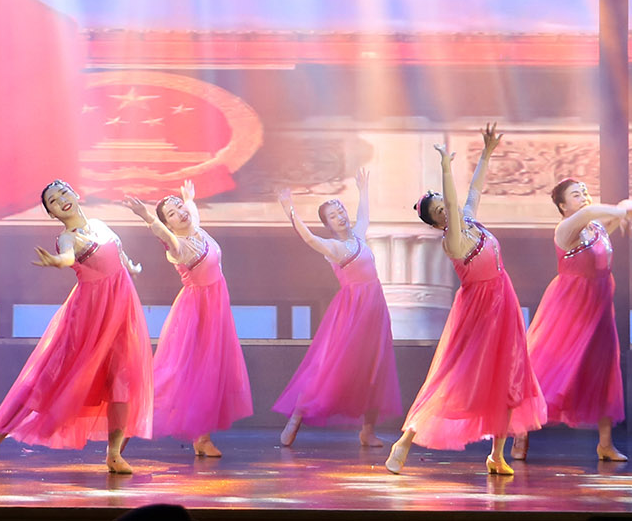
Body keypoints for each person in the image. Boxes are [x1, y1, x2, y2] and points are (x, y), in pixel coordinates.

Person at [384, 126, 547, 476]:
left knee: (511, 376)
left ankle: (496, 454)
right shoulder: (453, 241)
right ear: (437, 222)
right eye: (441, 210)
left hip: (504, 303)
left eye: (446, 205)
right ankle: (405, 441)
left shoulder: (471, 220)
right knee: (454, 377)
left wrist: (486, 152)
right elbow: (455, 200)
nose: (449, 210)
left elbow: (474, 189)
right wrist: (445, 168)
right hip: (479, 312)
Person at [0, 179, 155, 475]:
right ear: (52, 213)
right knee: (45, 380)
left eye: (63, 193)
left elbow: (118, 254)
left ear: (76, 194)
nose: (61, 200)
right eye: (53, 201)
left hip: (121, 311)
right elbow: (68, 256)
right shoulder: (68, 238)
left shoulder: (99, 224)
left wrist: (131, 267)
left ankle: (114, 454)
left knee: (121, 380)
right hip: (89, 317)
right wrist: (58, 261)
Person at [512, 177, 632, 461]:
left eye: (584, 191)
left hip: (599, 306)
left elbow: (609, 215)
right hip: (570, 306)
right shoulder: (566, 228)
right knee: (547, 366)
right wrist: (622, 209)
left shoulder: (596, 228)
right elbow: (594, 212)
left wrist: (625, 208)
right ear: (562, 206)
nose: (583, 196)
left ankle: (605, 444)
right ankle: (521, 428)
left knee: (604, 369)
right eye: (575, 194)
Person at [273, 167, 400, 448]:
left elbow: (364, 215)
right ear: (328, 224)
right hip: (352, 312)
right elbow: (308, 238)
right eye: (333, 215)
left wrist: (363, 189)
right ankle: (296, 417)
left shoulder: (359, 236)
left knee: (375, 367)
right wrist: (289, 209)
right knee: (329, 367)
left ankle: (367, 431)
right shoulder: (332, 247)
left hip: (375, 310)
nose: (340, 216)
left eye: (340, 210)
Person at [124, 180, 252, 457]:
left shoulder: (194, 227)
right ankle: (126, 432)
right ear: (167, 224)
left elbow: (192, 211)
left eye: (179, 207)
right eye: (172, 213)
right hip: (196, 312)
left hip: (216, 309)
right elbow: (163, 234)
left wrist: (189, 198)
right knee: (173, 374)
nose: (180, 213)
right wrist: (147, 216)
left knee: (210, 371)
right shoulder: (177, 245)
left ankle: (202, 439)